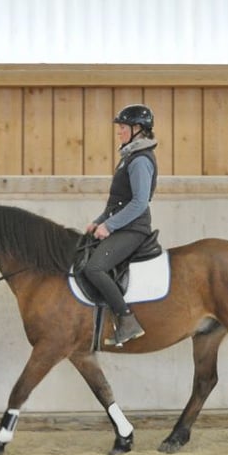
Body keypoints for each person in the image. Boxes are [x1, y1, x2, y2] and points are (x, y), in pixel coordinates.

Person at [83, 103, 159, 347]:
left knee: (94, 268)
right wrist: (98, 221)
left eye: (123, 127)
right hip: (121, 225)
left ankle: (127, 321)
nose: (120, 132)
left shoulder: (140, 161)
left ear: (138, 129)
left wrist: (110, 226)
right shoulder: (128, 158)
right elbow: (116, 202)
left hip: (133, 229)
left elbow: (139, 202)